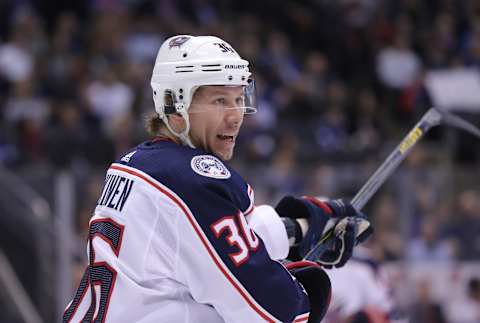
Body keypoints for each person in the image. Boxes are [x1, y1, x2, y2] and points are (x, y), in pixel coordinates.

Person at [63, 35, 372, 323]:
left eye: (239, 99)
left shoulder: (134, 165)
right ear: (175, 105)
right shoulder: (194, 177)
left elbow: (196, 243)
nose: (236, 115)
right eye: (219, 101)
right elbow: (270, 310)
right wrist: (309, 289)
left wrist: (299, 228)